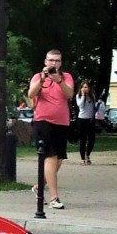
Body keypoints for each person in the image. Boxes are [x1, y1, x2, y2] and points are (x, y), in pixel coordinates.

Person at [26, 49, 75, 209]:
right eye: (51, 60)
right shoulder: (38, 77)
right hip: (43, 121)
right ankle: (54, 197)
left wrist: (58, 80)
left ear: (61, 63)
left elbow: (69, 94)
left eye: (57, 61)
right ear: (45, 62)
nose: (54, 63)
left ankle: (39, 187)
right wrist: (42, 79)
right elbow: (31, 93)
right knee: (50, 157)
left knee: (59, 159)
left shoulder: (66, 77)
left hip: (62, 122)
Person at [74, 81, 97, 165]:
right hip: (82, 119)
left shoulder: (92, 97)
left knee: (91, 139)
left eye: (86, 87)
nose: (85, 89)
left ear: (89, 88)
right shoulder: (78, 96)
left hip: (90, 120)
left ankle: (88, 155)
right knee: (83, 140)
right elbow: (80, 105)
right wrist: (83, 95)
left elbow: (94, 107)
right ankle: (83, 158)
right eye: (83, 87)